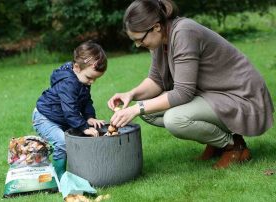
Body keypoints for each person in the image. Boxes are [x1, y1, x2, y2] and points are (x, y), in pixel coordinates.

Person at [108, 0, 274, 169]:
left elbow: (182, 93)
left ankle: (233, 146)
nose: (138, 45)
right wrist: (131, 95)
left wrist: (137, 108)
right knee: (147, 112)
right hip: (213, 94)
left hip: (242, 97)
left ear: (156, 27)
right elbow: (156, 80)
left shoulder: (183, 32)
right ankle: (217, 141)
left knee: (175, 119)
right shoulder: (160, 41)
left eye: (139, 39)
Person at [32, 41, 107, 179]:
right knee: (62, 143)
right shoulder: (69, 83)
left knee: (77, 139)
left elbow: (85, 100)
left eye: (95, 79)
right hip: (45, 118)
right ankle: (60, 178)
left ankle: (80, 170)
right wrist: (84, 127)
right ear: (77, 67)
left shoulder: (81, 79)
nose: (92, 82)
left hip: (60, 117)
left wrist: (90, 117)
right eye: (90, 78)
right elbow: (70, 109)